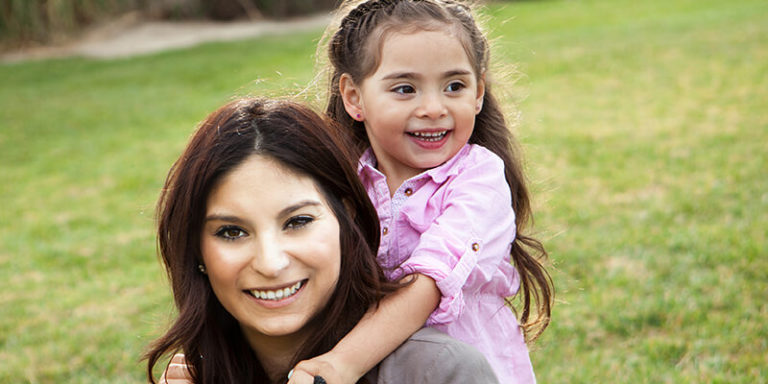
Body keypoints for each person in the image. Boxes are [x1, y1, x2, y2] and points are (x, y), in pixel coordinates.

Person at [144, 97, 500, 384]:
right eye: (232, 232)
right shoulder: (188, 376)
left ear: (347, 221)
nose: (271, 263)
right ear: (196, 250)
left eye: (298, 221)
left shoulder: (438, 372)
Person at [289, 1, 554, 383]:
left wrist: (340, 363)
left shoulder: (480, 179)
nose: (433, 108)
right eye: (405, 88)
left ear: (478, 92)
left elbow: (430, 281)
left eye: (454, 86)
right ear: (354, 97)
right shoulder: (339, 180)